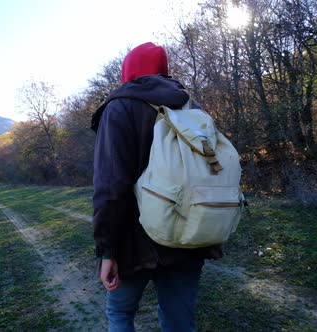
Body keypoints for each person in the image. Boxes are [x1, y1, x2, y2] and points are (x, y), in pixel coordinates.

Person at [91, 42, 222, 332]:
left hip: (133, 241)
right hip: (189, 233)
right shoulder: (191, 106)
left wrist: (107, 252)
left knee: (121, 314)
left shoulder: (119, 107)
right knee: (179, 322)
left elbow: (110, 188)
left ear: (128, 72)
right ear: (165, 71)